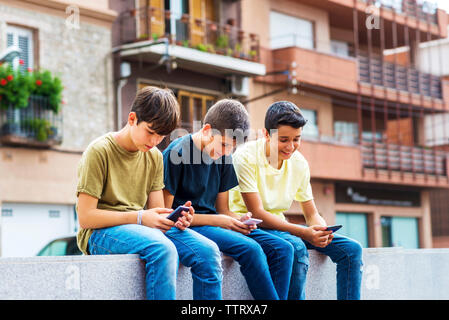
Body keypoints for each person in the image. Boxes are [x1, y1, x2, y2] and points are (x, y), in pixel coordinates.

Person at [76, 86, 223, 300]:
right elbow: (86, 217)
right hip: (100, 232)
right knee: (162, 249)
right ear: (133, 118)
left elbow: (157, 211)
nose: (154, 141)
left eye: (161, 136)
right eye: (151, 132)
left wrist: (177, 219)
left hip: (140, 226)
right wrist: (139, 217)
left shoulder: (154, 156)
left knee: (208, 252)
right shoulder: (99, 151)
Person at [229, 101, 364, 300]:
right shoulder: (245, 156)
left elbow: (311, 213)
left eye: (296, 139)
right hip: (251, 226)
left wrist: (320, 230)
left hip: (282, 229)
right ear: (267, 134)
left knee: (352, 250)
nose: (290, 147)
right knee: (296, 247)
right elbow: (257, 213)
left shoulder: (299, 163)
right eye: (284, 139)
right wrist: (304, 232)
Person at [162, 99, 294, 300]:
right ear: (207, 130)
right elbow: (166, 216)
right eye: (223, 144)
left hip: (216, 224)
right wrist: (220, 221)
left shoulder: (224, 157)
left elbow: (223, 210)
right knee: (251, 250)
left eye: (231, 148)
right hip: (186, 227)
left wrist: (238, 220)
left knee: (283, 248)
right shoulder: (176, 153)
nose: (225, 152)